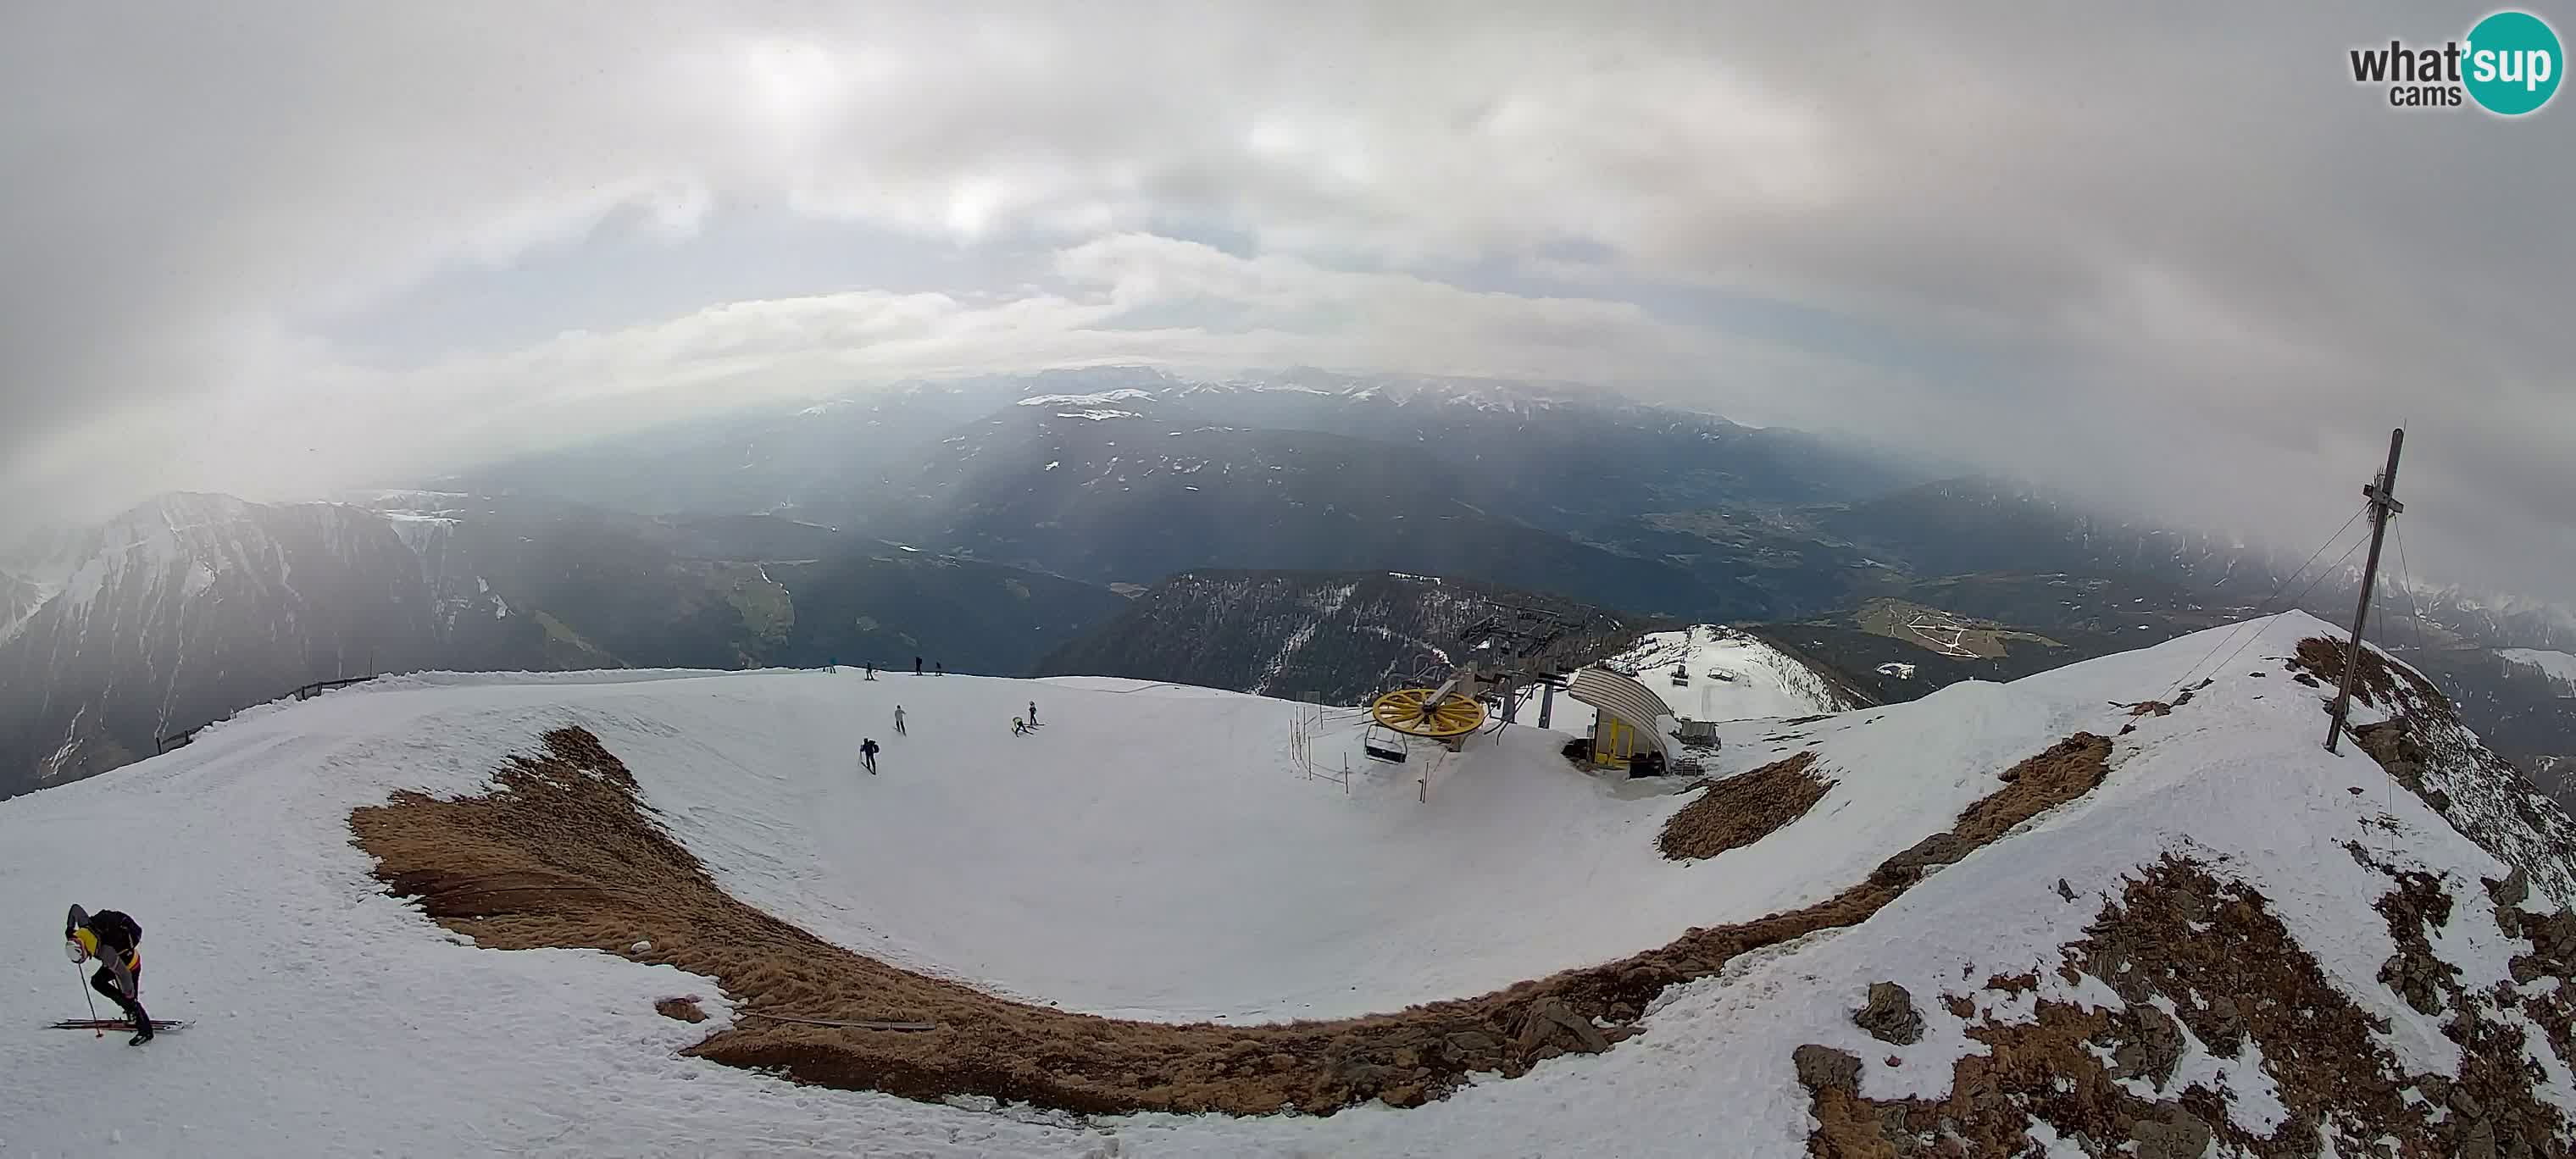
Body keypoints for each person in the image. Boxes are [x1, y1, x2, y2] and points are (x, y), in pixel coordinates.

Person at [65, 905, 150, 1044]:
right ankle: (130, 1012)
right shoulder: (84, 928)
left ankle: (145, 1031)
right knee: (97, 981)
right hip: (117, 963)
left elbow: (124, 974)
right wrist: (69, 929)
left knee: (131, 1000)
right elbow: (75, 909)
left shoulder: (105, 952)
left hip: (130, 965)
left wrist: (128, 998)